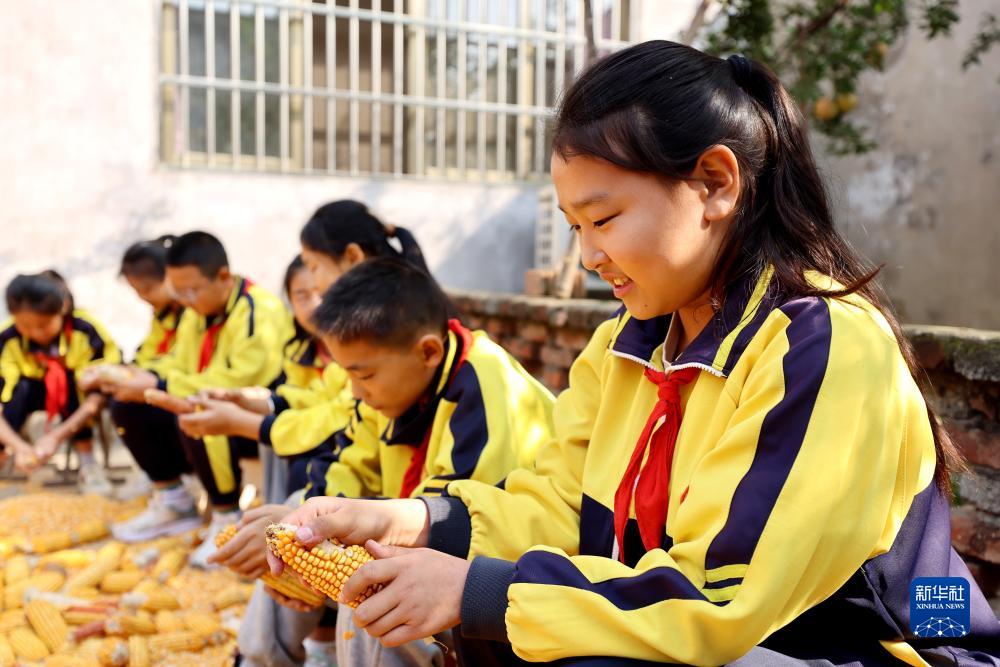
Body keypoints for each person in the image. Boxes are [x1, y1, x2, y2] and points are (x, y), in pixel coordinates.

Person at [271, 42, 1000, 665]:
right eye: (572, 225)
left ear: (714, 183)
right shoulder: (626, 343)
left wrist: (473, 589)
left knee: (560, 635)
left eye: (604, 217)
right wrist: (401, 521)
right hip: (743, 639)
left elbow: (720, 596)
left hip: (886, 649)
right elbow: (555, 502)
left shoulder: (823, 345)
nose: (587, 255)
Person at [230, 258, 555, 667]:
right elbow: (348, 462)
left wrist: (334, 544)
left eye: (363, 376)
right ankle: (259, 659)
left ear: (428, 352)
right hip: (422, 519)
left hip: (506, 570)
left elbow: (457, 520)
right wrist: (302, 534)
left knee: (377, 584)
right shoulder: (393, 385)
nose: (356, 391)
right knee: (296, 516)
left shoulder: (487, 390)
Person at [106, 231, 290, 568]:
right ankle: (173, 499)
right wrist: (136, 377)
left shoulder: (259, 309)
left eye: (191, 290)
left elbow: (240, 380)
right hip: (210, 405)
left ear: (223, 277)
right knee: (129, 405)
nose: (185, 299)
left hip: (258, 417)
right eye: (178, 290)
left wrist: (163, 381)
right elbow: (180, 363)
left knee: (198, 406)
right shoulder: (195, 312)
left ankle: (227, 514)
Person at [0, 271, 120, 495]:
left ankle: (87, 462)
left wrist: (56, 436)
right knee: (17, 390)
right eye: (25, 325)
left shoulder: (86, 330)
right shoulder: (6, 338)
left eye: (44, 325)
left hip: (77, 399)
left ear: (63, 309)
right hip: (31, 391)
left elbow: (100, 392)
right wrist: (20, 446)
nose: (35, 333)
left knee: (69, 381)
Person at [107, 236, 188, 501]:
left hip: (188, 387)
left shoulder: (193, 310)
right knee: (120, 398)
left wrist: (151, 378)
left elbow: (184, 358)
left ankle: (171, 487)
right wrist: (129, 371)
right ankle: (162, 481)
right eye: (137, 292)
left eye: (146, 290)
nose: (143, 299)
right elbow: (151, 352)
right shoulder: (163, 313)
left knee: (129, 406)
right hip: (174, 383)